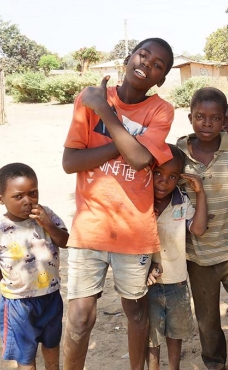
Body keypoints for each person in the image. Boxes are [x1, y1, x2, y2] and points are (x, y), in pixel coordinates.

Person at [61, 38, 175, 370]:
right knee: (80, 318)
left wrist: (107, 114)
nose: (147, 64)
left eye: (158, 65)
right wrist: (127, 142)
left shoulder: (160, 110)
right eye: (144, 54)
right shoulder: (89, 98)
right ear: (128, 57)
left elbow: (140, 160)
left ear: (161, 79)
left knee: (136, 312)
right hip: (90, 226)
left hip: (134, 229)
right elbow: (70, 162)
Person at [176, 87, 228, 370]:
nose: (207, 124)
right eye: (200, 117)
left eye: (214, 118)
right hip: (197, 254)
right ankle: (215, 363)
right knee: (207, 318)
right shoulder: (177, 153)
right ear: (190, 118)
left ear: (225, 121)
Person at [0, 163, 69, 370]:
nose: (28, 201)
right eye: (18, 196)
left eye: (33, 193)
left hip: (51, 296)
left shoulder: (47, 216)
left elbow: (65, 241)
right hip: (18, 303)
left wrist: (48, 224)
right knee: (25, 357)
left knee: (52, 346)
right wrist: (8, 280)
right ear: (0, 199)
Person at [145, 144, 208, 370]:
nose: (163, 181)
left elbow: (199, 229)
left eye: (172, 176)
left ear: (179, 178)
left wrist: (200, 193)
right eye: (158, 174)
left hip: (177, 282)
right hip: (147, 283)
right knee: (151, 336)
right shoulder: (140, 203)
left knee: (175, 332)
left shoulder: (181, 201)